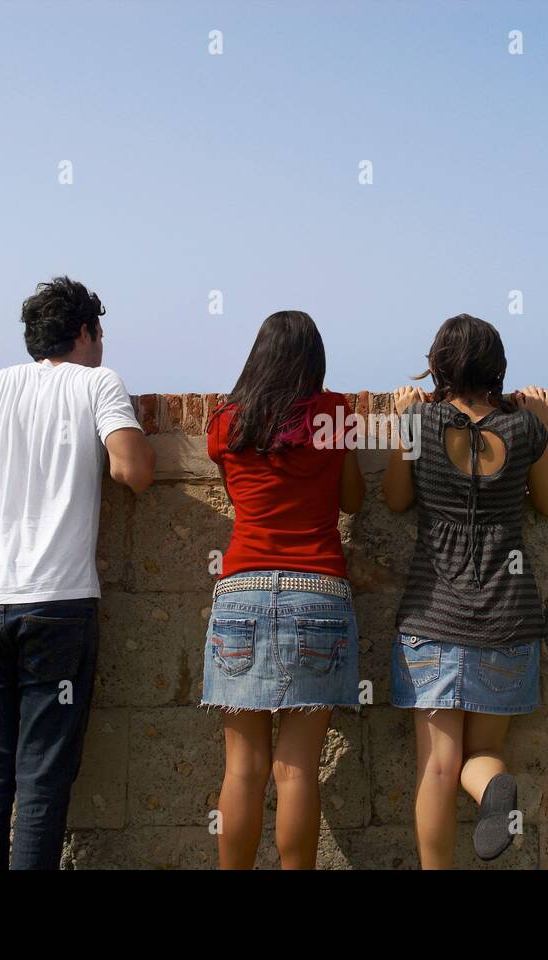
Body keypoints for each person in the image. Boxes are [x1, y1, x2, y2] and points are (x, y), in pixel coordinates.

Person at [0, 276, 154, 869]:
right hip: (58, 604)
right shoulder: (98, 383)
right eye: (99, 334)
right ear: (84, 333)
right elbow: (134, 471)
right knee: (43, 782)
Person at [383, 313, 548, 867]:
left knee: (437, 765)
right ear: (496, 367)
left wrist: (402, 428)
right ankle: (491, 790)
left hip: (431, 619)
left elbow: (394, 499)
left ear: (439, 364)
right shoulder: (524, 430)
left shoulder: (420, 424)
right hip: (508, 620)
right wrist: (541, 422)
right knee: (483, 753)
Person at [202, 310, 365, 869]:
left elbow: (237, 494)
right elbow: (352, 500)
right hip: (318, 588)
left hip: (241, 588)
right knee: (297, 766)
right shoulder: (337, 414)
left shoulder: (225, 422)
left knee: (242, 767)